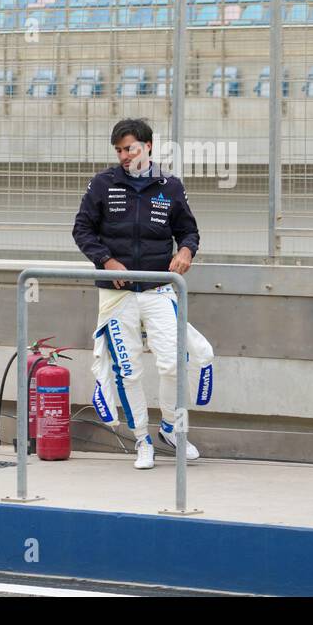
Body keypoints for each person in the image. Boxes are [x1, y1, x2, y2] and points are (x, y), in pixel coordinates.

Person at [72, 118, 214, 470]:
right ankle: (142, 440)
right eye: (119, 149)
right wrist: (105, 260)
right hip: (117, 296)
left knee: (172, 363)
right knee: (128, 371)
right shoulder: (102, 184)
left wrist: (186, 252)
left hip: (158, 290)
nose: (123, 155)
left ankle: (170, 428)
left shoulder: (170, 186)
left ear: (148, 146)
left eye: (130, 147)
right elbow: (82, 229)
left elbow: (189, 231)